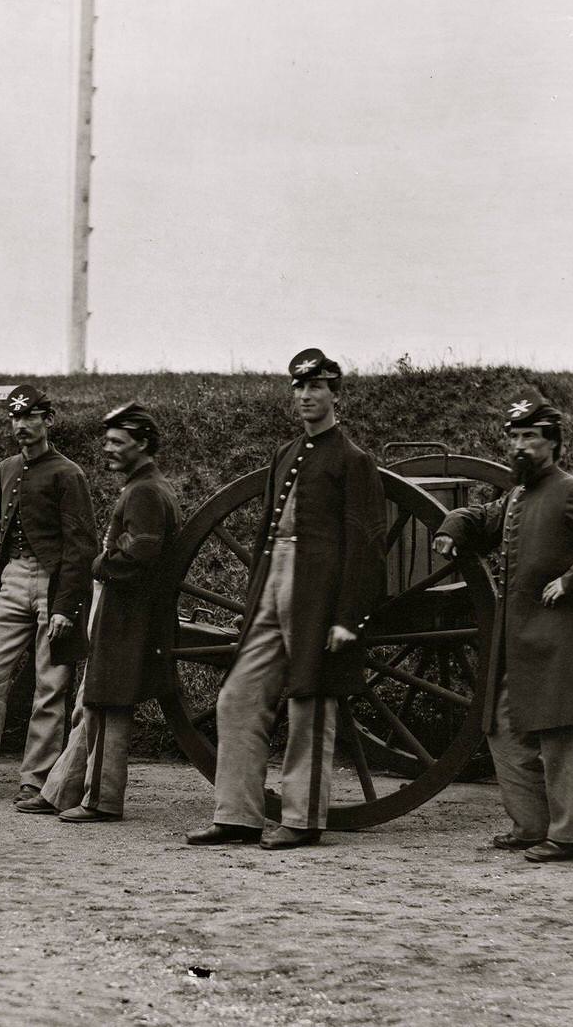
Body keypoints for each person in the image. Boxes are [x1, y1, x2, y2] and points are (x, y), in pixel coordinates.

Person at [186, 350, 386, 850]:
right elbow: (263, 537)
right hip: (274, 582)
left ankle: (302, 818)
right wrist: (255, 597)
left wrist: (347, 617)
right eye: (298, 388)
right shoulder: (285, 453)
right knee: (238, 696)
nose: (305, 396)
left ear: (335, 394)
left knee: (309, 703)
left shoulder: (352, 460)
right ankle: (237, 814)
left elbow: (366, 545)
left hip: (318, 591)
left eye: (316, 386)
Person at [432, 388, 573, 862]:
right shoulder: (519, 495)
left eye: (531, 436)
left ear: (553, 443)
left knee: (562, 737)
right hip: (522, 642)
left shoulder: (571, 491)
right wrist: (452, 528)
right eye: (515, 436)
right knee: (504, 729)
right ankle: (531, 826)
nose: (520, 446)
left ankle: (569, 837)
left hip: (565, 638)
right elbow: (481, 518)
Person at [18, 402, 182, 822]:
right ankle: (60, 792)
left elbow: (142, 551)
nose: (107, 449)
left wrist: (98, 563)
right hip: (122, 608)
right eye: (106, 440)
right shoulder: (146, 485)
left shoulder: (145, 491)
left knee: (107, 704)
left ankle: (101, 801)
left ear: (142, 443)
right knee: (89, 705)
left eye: (116, 442)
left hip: (127, 613)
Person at [0, 384, 96, 806]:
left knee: (50, 686)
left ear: (49, 421)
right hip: (11, 583)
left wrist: (65, 606)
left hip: (53, 583)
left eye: (30, 417)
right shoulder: (8, 467)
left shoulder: (68, 474)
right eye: (15, 418)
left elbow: (81, 547)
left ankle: (37, 781)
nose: (22, 426)